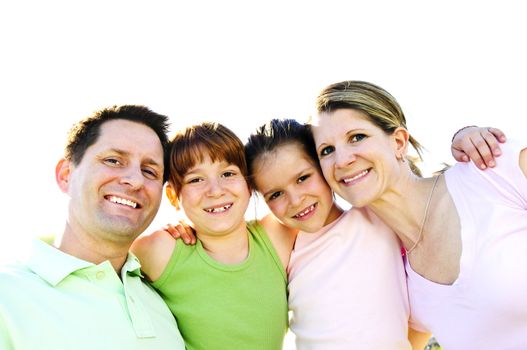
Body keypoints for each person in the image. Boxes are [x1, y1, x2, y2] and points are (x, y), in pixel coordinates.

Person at [244, 118, 499, 350]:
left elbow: (422, 190)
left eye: (303, 178)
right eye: (275, 194)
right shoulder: (282, 242)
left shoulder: (376, 215)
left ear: (324, 165)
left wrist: (465, 134)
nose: (296, 199)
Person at [311, 80, 525, 350]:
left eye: (357, 137)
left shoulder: (493, 168)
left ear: (399, 142)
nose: (342, 160)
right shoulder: (398, 280)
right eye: (326, 151)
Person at [0, 105, 185, 350]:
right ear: (66, 175)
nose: (135, 180)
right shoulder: (7, 296)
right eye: (113, 160)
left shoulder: (166, 300)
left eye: (149, 171)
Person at [130, 122, 296, 350]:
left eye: (228, 173)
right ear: (172, 195)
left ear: (249, 184)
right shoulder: (162, 250)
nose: (216, 190)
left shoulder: (277, 235)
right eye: (195, 179)